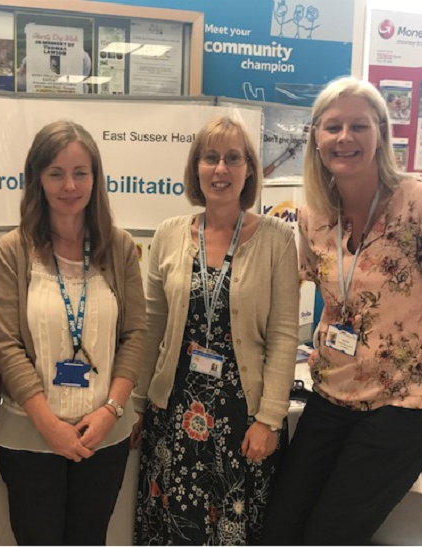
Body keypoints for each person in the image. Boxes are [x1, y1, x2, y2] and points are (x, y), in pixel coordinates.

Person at [259, 77, 422, 545]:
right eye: (333, 126)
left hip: (405, 405)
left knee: (328, 536)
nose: (345, 137)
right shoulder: (313, 215)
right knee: (277, 529)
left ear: (381, 133)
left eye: (359, 125)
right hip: (333, 394)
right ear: (316, 138)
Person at [133, 116, 300, 545]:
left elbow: (284, 334)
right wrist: (136, 405)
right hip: (172, 414)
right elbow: (152, 327)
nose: (221, 169)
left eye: (233, 158)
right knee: (172, 530)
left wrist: (270, 418)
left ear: (249, 170)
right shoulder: (169, 235)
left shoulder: (278, 239)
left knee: (234, 531)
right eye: (210, 158)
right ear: (196, 168)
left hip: (243, 423)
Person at [0, 120, 146, 545]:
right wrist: (48, 423)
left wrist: (111, 410)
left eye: (80, 172)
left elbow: (136, 335)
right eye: (55, 173)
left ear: (96, 179)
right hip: (30, 433)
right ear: (37, 179)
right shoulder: (13, 250)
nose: (69, 185)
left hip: (103, 435)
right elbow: (6, 344)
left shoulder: (119, 246)